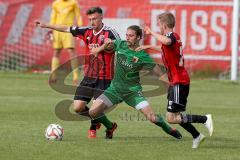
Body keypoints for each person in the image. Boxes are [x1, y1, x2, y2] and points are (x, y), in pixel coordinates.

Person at [35, 7, 120, 139]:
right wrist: (47, 25)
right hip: (88, 77)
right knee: (78, 108)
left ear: (102, 17)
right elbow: (66, 28)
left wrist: (109, 47)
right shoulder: (86, 31)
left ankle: (94, 125)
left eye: (95, 19)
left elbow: (119, 47)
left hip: (104, 78)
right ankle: (110, 126)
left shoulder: (110, 33)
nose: (92, 22)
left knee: (94, 110)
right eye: (90, 19)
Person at [88, 25, 182, 140]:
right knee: (93, 112)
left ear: (138, 37)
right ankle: (110, 126)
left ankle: (170, 130)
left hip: (133, 92)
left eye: (131, 36)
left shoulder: (143, 55)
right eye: (126, 35)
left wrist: (171, 87)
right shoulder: (120, 44)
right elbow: (108, 44)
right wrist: (99, 48)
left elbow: (159, 73)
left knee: (152, 118)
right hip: (115, 90)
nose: (127, 38)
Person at [136, 12, 213, 149]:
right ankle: (197, 136)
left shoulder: (171, 36)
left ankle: (205, 119)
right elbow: (164, 47)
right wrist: (148, 47)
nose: (158, 26)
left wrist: (150, 32)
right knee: (174, 116)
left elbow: (166, 42)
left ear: (164, 24)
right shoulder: (172, 38)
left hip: (179, 81)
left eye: (159, 24)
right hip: (175, 82)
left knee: (171, 118)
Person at [49, 0, 82, 85]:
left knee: (71, 52)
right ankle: (53, 77)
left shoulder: (73, 2)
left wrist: (80, 28)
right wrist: (50, 29)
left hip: (68, 30)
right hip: (57, 30)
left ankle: (75, 78)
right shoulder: (56, 3)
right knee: (56, 52)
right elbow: (53, 17)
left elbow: (78, 16)